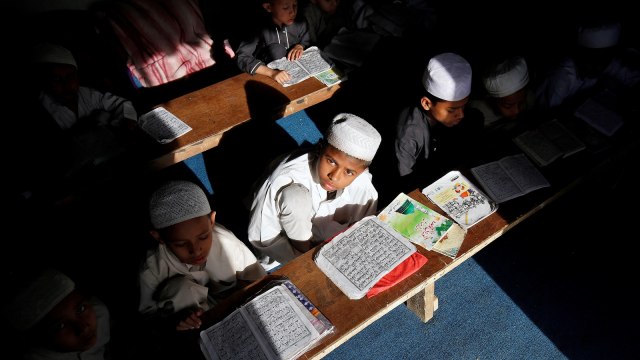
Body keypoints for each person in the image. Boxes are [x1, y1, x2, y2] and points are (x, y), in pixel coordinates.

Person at [248, 112, 382, 268]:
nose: (335, 176)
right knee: (294, 198)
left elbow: (362, 232)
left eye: (349, 172)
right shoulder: (283, 178)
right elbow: (263, 238)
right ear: (319, 148)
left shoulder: (364, 188)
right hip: (283, 249)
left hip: (327, 248)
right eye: (331, 161)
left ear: (361, 172)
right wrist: (308, 261)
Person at [14, 42, 139, 206]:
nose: (66, 85)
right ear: (44, 81)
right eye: (57, 79)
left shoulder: (86, 94)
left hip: (108, 165)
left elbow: (122, 104)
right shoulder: (40, 111)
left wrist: (127, 123)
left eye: (70, 77)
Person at [139, 180, 266, 332]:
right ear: (159, 237)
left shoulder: (226, 242)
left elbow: (257, 279)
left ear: (212, 221)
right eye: (181, 244)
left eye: (204, 237)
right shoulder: (152, 269)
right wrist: (177, 320)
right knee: (179, 288)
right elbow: (149, 317)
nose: (196, 250)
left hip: (232, 305)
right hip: (195, 325)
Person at [394, 52, 483, 194]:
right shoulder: (408, 136)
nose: (461, 115)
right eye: (452, 110)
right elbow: (405, 184)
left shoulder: (450, 118)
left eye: (463, 106)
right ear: (426, 103)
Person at [2, 267, 111, 360]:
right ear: (39, 338)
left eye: (81, 309)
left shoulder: (100, 314)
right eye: (60, 326)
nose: (83, 328)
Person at [535, 19, 640, 112]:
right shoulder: (563, 75)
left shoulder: (607, 64)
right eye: (592, 60)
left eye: (604, 61)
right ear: (581, 54)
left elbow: (632, 77)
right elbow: (549, 113)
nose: (599, 67)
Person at [235, 0, 311, 85]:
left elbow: (306, 41)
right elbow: (242, 57)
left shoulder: (300, 22)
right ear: (268, 7)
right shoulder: (258, 27)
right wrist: (272, 73)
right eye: (285, 7)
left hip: (296, 75)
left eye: (295, 5)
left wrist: (300, 46)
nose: (292, 12)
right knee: (276, 50)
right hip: (269, 77)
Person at [469, 55, 536, 128]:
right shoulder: (478, 114)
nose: (517, 111)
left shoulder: (530, 98)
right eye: (508, 106)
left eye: (521, 102)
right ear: (492, 100)